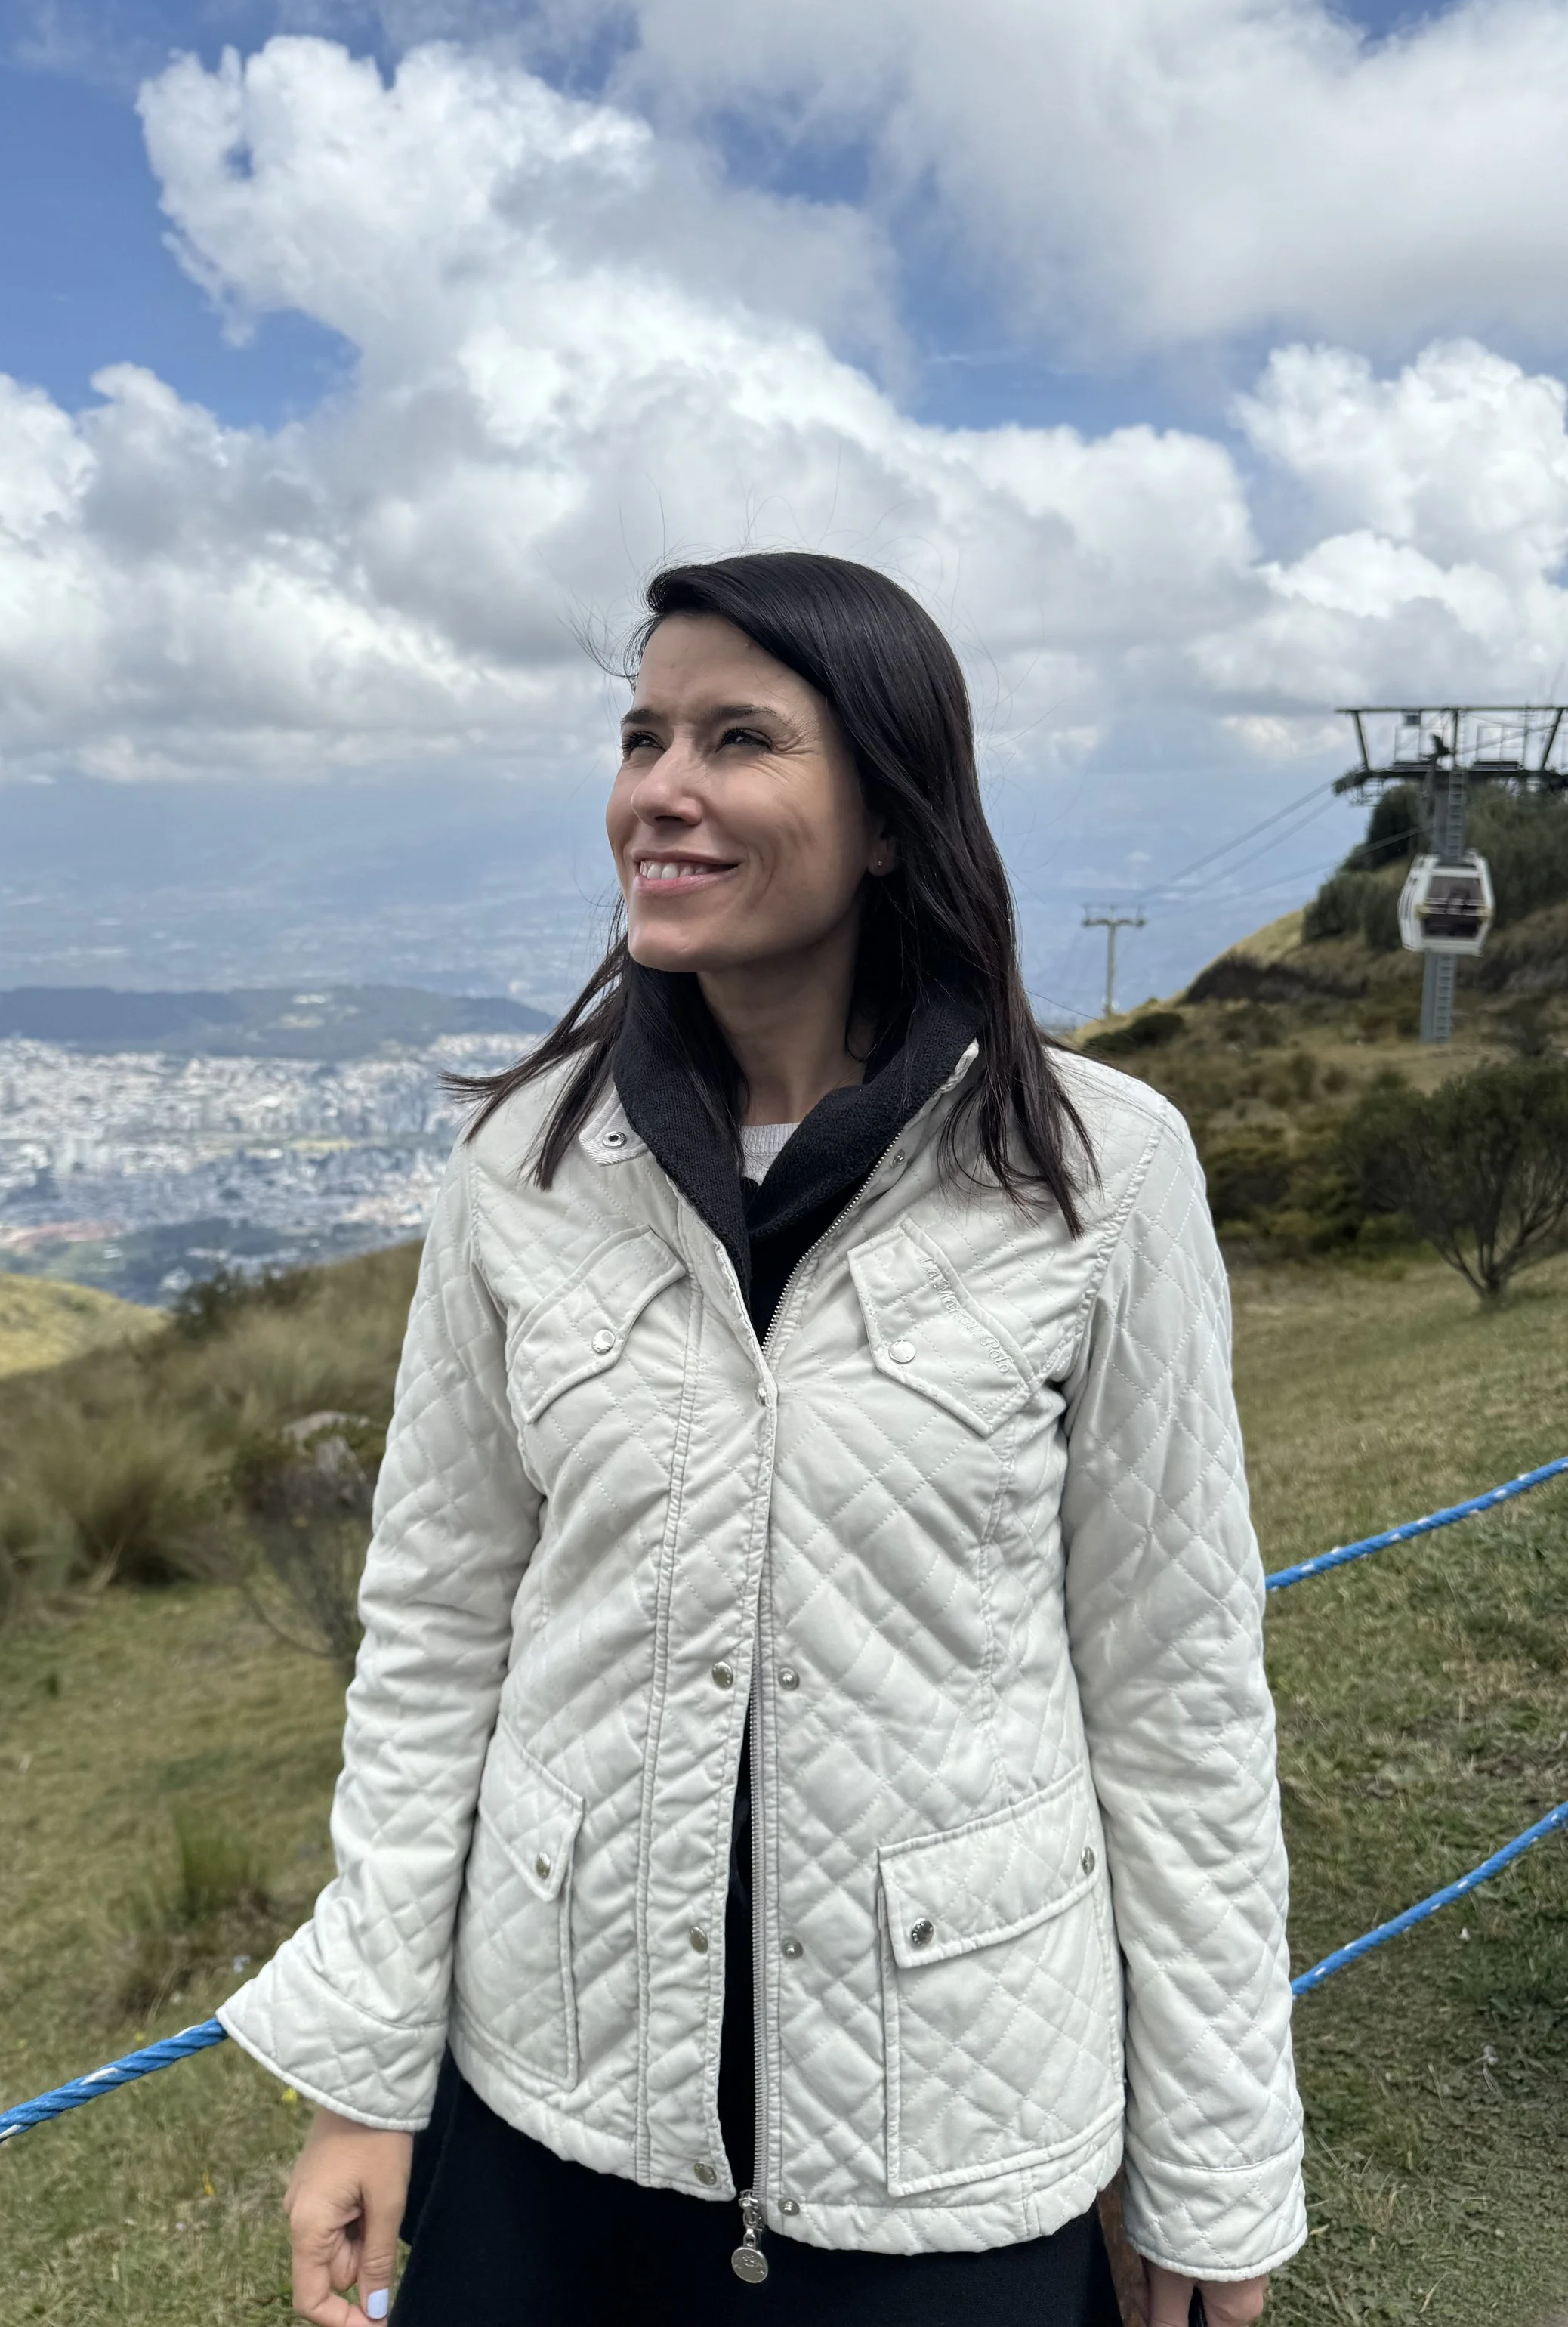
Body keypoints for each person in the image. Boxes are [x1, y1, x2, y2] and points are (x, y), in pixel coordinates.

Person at [221, 552, 1305, 2327]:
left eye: (737, 738)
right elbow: (431, 1639)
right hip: (552, 2121)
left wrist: (1210, 2168)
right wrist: (363, 2078)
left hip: (950, 2142)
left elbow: (1175, 1694)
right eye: (640, 737)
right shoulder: (522, 1169)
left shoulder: (1097, 1175)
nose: (660, 788)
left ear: (886, 815)